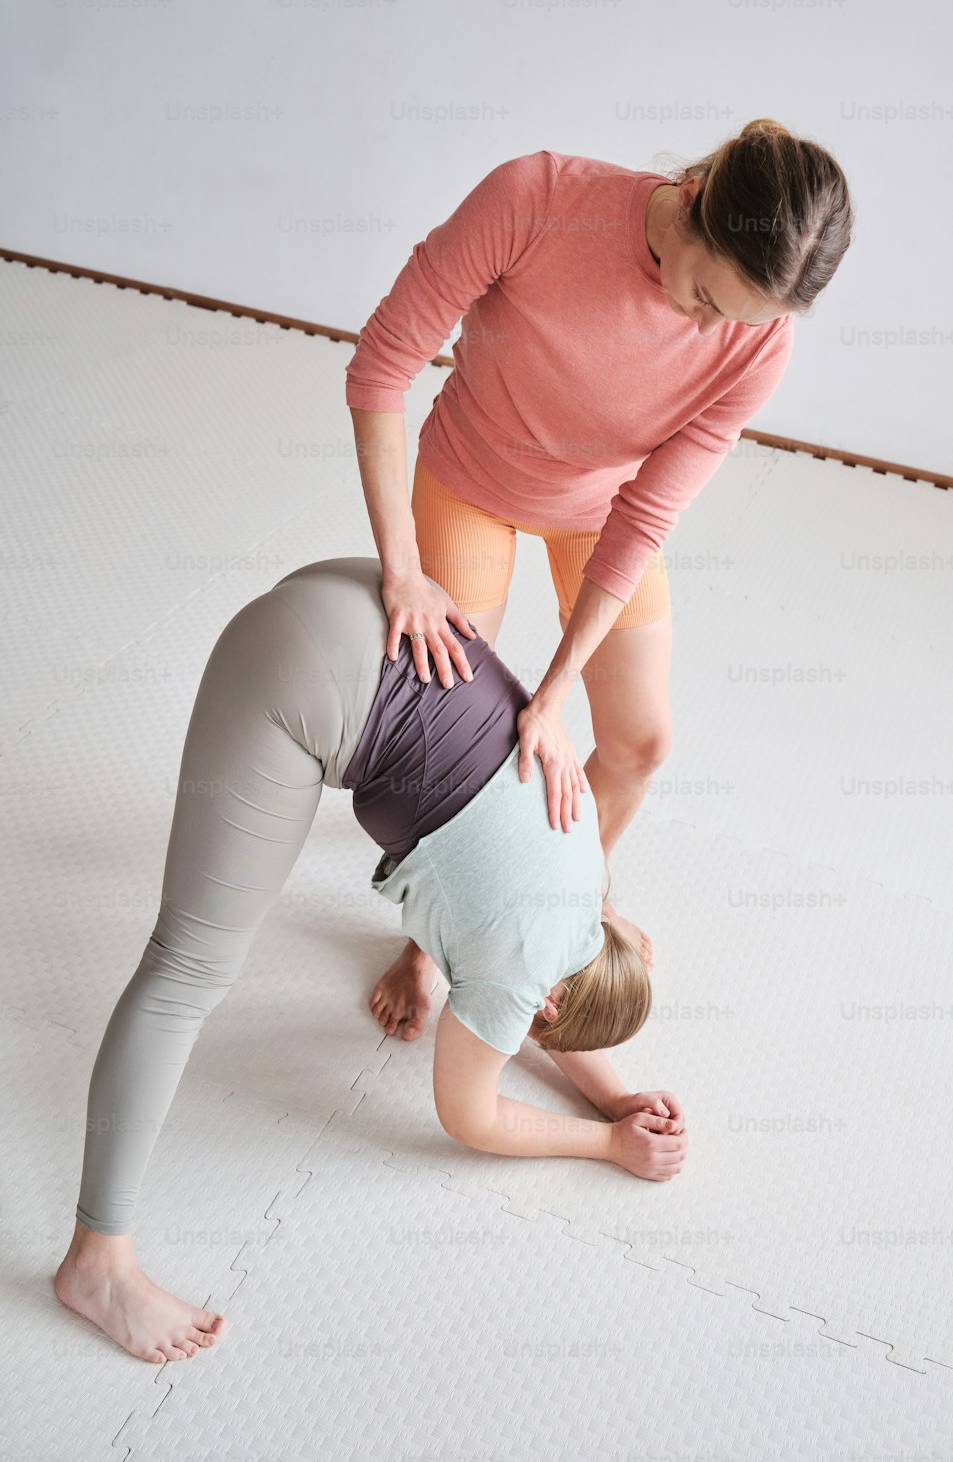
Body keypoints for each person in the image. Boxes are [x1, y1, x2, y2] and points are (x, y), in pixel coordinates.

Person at [54, 557, 688, 1366]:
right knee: (184, 972)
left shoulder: (586, 881)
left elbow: (535, 995)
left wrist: (621, 1097)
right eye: (536, 1019)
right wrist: (607, 1144)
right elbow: (472, 1117)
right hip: (293, 680)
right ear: (547, 1006)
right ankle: (96, 1264)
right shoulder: (516, 977)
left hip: (362, 599)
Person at [346, 117, 854, 991]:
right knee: (459, 737)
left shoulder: (759, 339)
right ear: (693, 199)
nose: (706, 331)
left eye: (733, 321)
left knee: (641, 741)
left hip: (599, 510)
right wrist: (403, 570)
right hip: (473, 476)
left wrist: (553, 693)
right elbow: (382, 365)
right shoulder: (537, 200)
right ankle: (436, 934)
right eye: (706, 298)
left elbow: (648, 513)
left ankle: (564, 895)